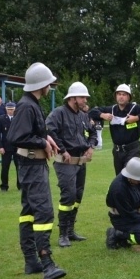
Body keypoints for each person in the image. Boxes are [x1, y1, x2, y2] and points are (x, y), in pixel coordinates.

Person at [7, 62, 65, 279]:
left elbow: (31, 131)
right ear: (42, 84)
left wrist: (45, 136)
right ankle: (46, 262)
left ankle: (31, 260)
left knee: (29, 212)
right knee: (44, 212)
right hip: (32, 167)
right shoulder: (27, 106)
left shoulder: (31, 104)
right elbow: (17, 137)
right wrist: (41, 140)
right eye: (49, 83)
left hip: (33, 166)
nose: (50, 87)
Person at [46, 81, 97, 248]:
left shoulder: (83, 116)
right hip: (65, 162)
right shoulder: (58, 114)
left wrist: (91, 145)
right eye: (82, 97)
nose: (85, 100)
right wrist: (62, 150)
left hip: (80, 162)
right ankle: (62, 234)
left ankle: (70, 231)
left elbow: (93, 132)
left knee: (77, 196)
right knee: (68, 195)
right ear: (73, 98)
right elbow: (50, 131)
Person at [89, 84, 140, 174]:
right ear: (116, 96)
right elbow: (91, 112)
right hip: (117, 151)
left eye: (124, 94)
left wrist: (136, 118)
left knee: (130, 175)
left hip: (132, 149)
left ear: (129, 97)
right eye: (119, 94)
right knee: (119, 178)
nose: (121, 97)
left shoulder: (135, 109)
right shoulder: (112, 109)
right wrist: (103, 115)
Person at [105, 157, 140, 249]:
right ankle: (118, 234)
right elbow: (129, 215)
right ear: (130, 176)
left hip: (134, 216)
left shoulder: (138, 180)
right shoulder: (119, 189)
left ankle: (130, 232)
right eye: (139, 179)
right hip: (122, 219)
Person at [0, 101, 19, 192]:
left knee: (19, 167)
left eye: (12, 109)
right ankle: (4, 186)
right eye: (9, 109)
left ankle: (20, 185)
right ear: (6, 109)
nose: (10, 111)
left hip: (17, 146)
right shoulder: (1, 119)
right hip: (5, 147)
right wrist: (0, 147)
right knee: (5, 167)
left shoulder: (18, 118)